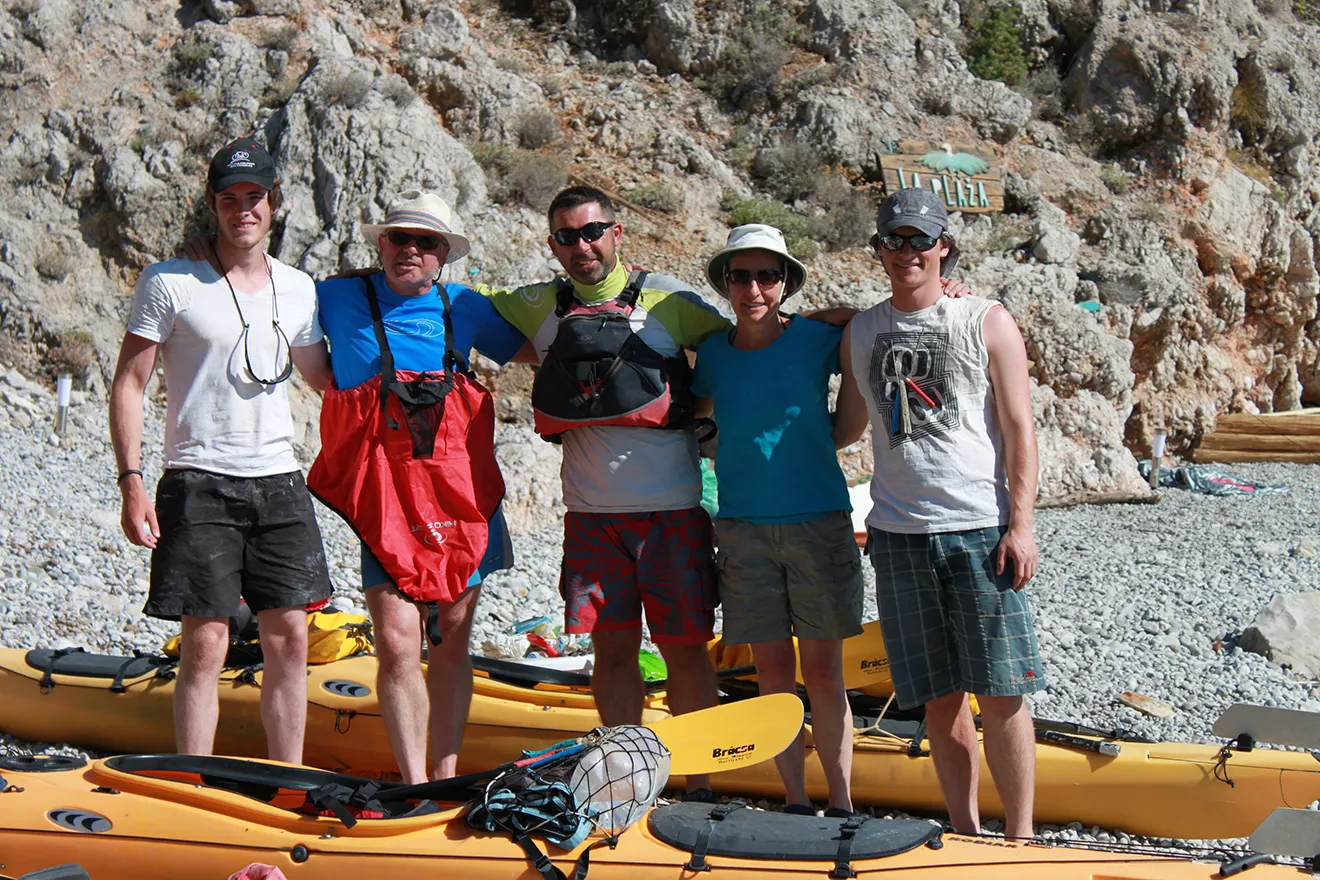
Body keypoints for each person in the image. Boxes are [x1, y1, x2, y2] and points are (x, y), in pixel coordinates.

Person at [477, 185, 728, 798]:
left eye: (592, 233)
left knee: (686, 655)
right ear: (553, 245)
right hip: (591, 520)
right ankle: (627, 778)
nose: (581, 247)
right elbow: (452, 300)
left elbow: (746, 340)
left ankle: (700, 785)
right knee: (612, 656)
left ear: (617, 233)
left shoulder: (672, 300)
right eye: (566, 237)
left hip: (670, 514)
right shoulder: (537, 305)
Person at [109, 137, 334, 765]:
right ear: (213, 204)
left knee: (289, 638)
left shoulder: (299, 289)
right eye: (230, 198)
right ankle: (194, 787)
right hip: (198, 479)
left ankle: (287, 783)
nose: (244, 210)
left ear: (274, 204)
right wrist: (131, 481)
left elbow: (324, 377)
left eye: (254, 197)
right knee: (204, 642)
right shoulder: (170, 281)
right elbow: (129, 382)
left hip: (280, 480)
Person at [835, 187, 1045, 839]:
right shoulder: (862, 330)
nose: (907, 253)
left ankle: (1023, 835)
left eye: (920, 240)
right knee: (936, 695)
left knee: (1003, 691)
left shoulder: (985, 321)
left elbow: (1019, 429)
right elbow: (845, 427)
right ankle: (965, 830)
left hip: (979, 531)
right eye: (893, 241)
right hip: (897, 537)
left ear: (944, 247)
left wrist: (1021, 524)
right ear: (878, 249)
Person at [309, 192, 526, 784]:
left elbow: (544, 347)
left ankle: (448, 770)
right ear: (380, 243)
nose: (410, 249)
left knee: (453, 638)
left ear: (443, 256)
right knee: (398, 641)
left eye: (425, 242)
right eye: (399, 237)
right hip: (384, 498)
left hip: (461, 494)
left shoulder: (468, 308)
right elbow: (256, 287)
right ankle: (415, 786)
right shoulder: (332, 296)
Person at [691, 224, 863, 817]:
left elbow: (866, 323)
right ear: (726, 285)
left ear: (785, 282)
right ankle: (794, 800)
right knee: (771, 673)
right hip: (742, 527)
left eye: (768, 275)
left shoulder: (817, 338)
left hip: (819, 520)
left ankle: (839, 801)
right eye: (742, 276)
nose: (754, 288)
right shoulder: (712, 354)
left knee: (822, 670)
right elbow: (701, 411)